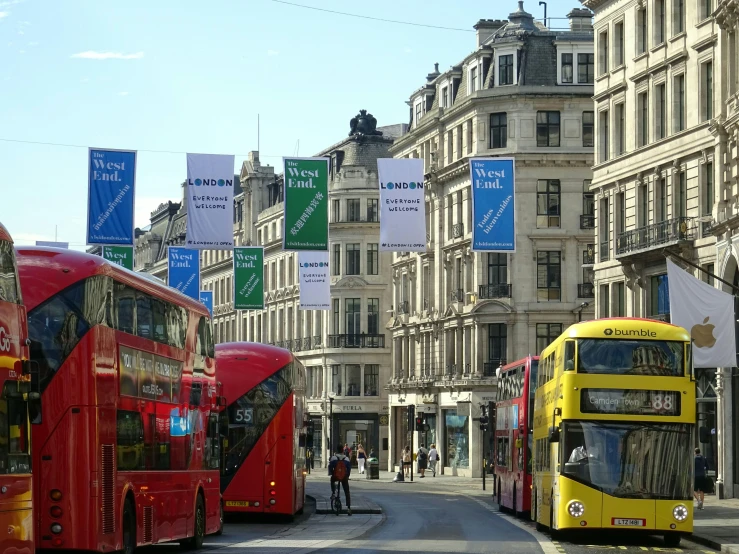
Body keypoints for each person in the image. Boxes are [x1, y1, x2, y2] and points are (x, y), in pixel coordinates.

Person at [328, 445, 352, 516]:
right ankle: (348, 508)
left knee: (332, 480)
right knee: (347, 491)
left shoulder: (333, 458)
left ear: (337, 450)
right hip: (344, 477)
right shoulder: (346, 458)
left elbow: (330, 467)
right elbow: (349, 468)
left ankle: (333, 493)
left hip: (336, 476)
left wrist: (332, 473)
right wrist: (347, 475)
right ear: (342, 450)